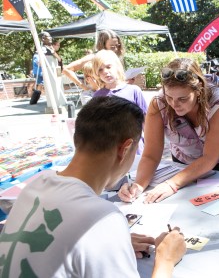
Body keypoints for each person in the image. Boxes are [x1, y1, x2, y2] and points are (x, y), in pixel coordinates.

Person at [0, 96, 186, 277]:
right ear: (126, 149)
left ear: (76, 139)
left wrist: (109, 243)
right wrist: (166, 260)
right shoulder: (103, 219)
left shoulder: (34, 186)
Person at [118, 58, 219, 203]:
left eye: (183, 98)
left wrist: (171, 184)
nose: (175, 105)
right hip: (183, 156)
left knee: (212, 202)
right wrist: (138, 185)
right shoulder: (158, 102)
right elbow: (151, 154)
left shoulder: (218, 102)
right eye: (169, 97)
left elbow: (210, 158)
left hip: (217, 160)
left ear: (198, 90)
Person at [92, 50, 147, 154]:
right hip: (112, 149)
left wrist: (150, 144)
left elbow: (145, 120)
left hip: (135, 148)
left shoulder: (134, 91)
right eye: (100, 70)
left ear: (117, 66)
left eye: (108, 67)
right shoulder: (97, 96)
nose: (105, 72)